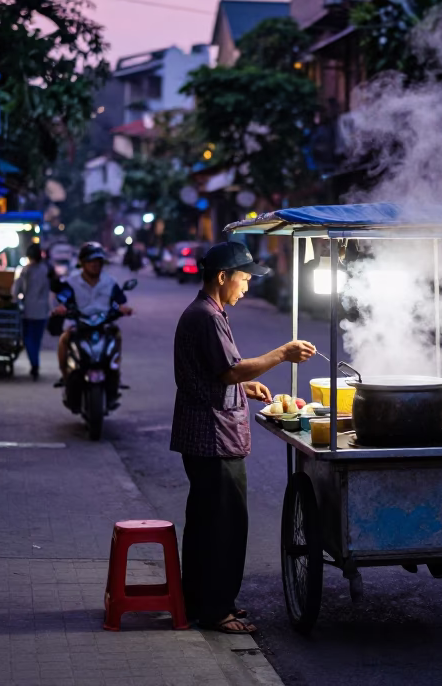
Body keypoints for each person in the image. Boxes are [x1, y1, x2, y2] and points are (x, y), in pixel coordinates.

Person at [170, 241, 315, 634]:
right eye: (245, 279)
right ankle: (216, 610)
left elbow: (215, 374)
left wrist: (244, 388)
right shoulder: (205, 316)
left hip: (206, 436)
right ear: (223, 277)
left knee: (206, 523)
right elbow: (230, 370)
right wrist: (282, 353)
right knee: (223, 525)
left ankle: (205, 601)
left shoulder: (209, 312)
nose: (247, 287)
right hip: (213, 439)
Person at [52, 242, 133, 384]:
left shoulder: (110, 282)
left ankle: (115, 370)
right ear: (83, 263)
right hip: (79, 322)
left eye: (98, 262)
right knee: (64, 338)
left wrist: (123, 308)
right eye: (91, 262)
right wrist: (61, 308)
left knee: (117, 335)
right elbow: (62, 298)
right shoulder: (71, 282)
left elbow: (120, 300)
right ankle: (65, 373)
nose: (95, 265)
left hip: (104, 322)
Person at [13, 243, 52, 382]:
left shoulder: (26, 270)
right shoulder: (45, 270)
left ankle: (35, 364)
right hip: (42, 311)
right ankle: (35, 364)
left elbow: (17, 288)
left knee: (28, 339)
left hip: (29, 310)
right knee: (36, 339)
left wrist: (15, 300)